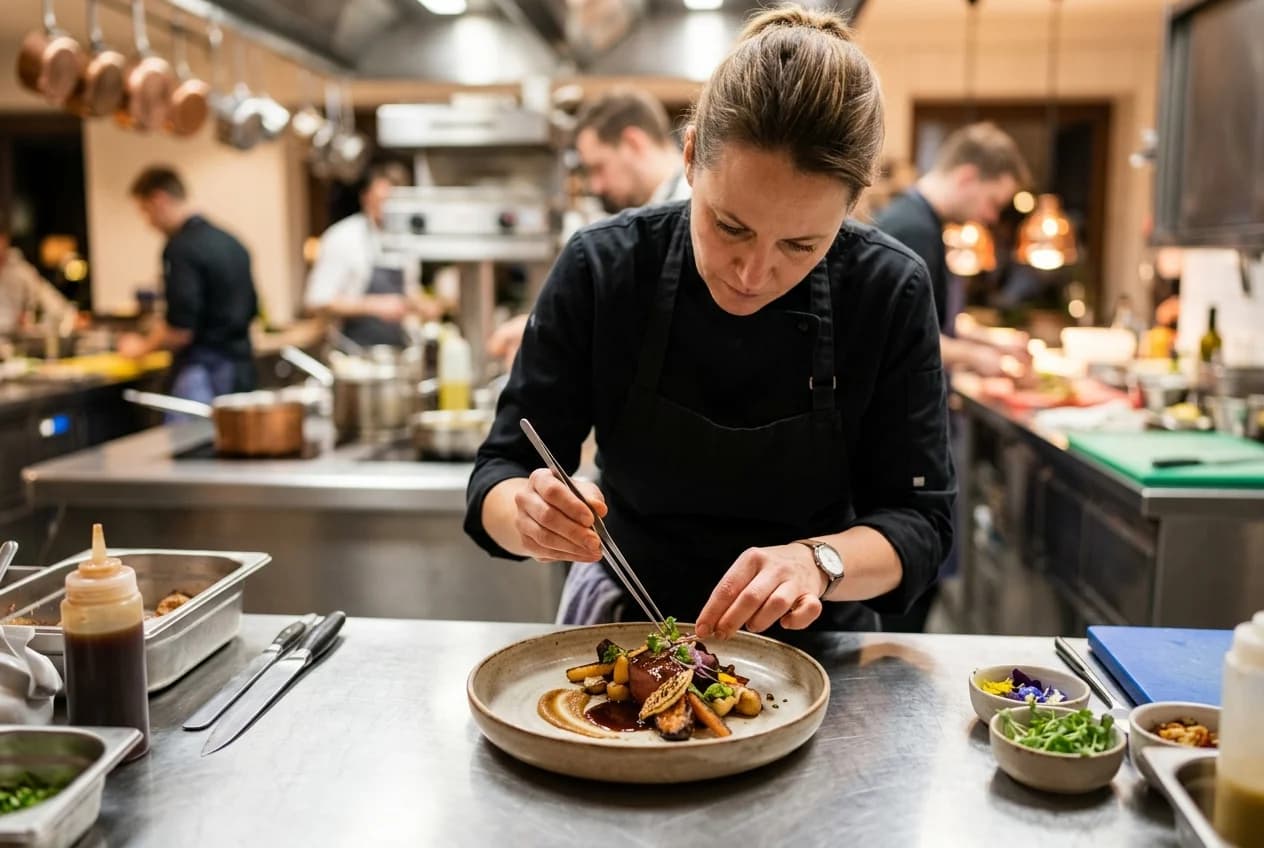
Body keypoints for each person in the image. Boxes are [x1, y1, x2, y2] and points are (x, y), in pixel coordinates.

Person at [465, 6, 955, 637]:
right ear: (691, 156)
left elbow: (922, 523)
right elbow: (499, 473)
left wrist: (818, 562)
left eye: (800, 246)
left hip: (821, 646)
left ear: (851, 206)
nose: (752, 274)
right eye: (730, 226)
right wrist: (527, 515)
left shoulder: (888, 287)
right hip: (629, 629)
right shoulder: (605, 266)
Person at [486, 88, 692, 370]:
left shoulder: (692, 206)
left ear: (634, 143)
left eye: (599, 168)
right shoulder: (642, 217)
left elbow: (665, 319)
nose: (596, 187)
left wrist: (553, 331)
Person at [874, 122, 1032, 377]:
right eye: (993, 202)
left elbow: (933, 320)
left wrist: (991, 343)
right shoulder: (914, 229)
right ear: (967, 177)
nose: (992, 217)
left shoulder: (924, 221)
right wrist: (976, 357)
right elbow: (906, 335)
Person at [119, 167, 259, 403]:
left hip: (204, 372)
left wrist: (140, 349)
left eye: (145, 212)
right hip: (242, 367)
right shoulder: (231, 241)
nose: (148, 223)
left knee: (193, 439)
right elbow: (251, 307)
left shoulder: (180, 248)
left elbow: (181, 329)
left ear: (159, 200)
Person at [304, 161, 439, 348]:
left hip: (398, 349)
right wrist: (374, 305)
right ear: (366, 198)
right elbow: (317, 301)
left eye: (394, 203)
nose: (387, 209)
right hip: (351, 352)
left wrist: (422, 304)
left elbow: (409, 289)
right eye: (381, 201)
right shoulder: (342, 237)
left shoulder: (406, 239)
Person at [0, 213, 75, 337]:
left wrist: (70, 316)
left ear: (5, 239)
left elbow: (49, 298)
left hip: (12, 344)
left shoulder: (20, 270)